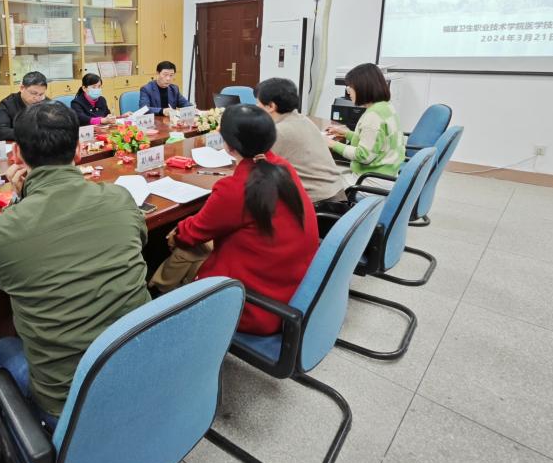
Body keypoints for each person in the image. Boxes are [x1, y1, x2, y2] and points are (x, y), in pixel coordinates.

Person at [0, 102, 150, 421]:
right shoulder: (120, 198)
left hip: (69, 403)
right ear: (79, 151)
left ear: (16, 155)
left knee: (0, 349)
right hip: (143, 367)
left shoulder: (0, 230)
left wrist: (20, 200)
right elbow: (141, 239)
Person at [151, 104, 318, 335]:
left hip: (254, 305)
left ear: (228, 145)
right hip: (293, 286)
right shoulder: (283, 167)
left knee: (182, 245)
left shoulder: (236, 188)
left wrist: (177, 231)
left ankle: (156, 308)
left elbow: (191, 234)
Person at [256, 78, 348, 210]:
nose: (256, 106)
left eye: (258, 102)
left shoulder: (280, 131)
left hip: (318, 205)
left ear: (271, 106)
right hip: (335, 195)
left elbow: (256, 163)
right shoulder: (301, 119)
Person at [325, 63, 406, 177]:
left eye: (350, 88)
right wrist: (346, 134)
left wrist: (332, 144)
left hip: (370, 178)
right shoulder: (386, 107)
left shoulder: (373, 116)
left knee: (324, 180)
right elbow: (374, 141)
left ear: (362, 88)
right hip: (388, 173)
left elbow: (363, 155)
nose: (348, 92)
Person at [0, 71, 49, 141]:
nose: (37, 98)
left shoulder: (46, 102)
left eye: (41, 94)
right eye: (33, 93)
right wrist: (30, 134)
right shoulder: (8, 103)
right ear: (22, 88)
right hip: (19, 144)